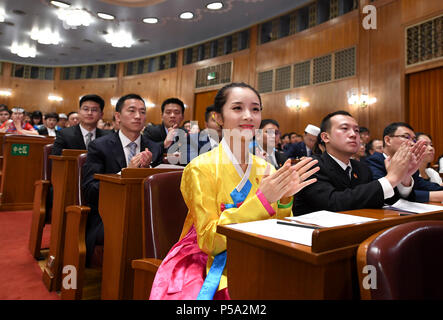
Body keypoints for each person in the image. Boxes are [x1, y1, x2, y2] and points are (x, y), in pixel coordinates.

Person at [149, 82, 319, 300]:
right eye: (238, 108)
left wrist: (285, 201)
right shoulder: (200, 168)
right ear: (218, 117)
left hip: (260, 252)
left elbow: (277, 229)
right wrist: (263, 201)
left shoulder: (266, 167)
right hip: (210, 260)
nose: (248, 116)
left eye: (255, 109)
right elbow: (210, 242)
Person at [82, 93, 162, 266]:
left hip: (146, 212)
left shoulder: (154, 147)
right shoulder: (100, 146)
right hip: (108, 215)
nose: (138, 116)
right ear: (118, 116)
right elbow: (90, 190)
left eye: (142, 112)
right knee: (131, 229)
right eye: (132, 111)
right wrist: (125, 174)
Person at [293, 111, 421, 215]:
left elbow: (385, 202)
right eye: (344, 129)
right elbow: (334, 204)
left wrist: (404, 178)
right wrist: (391, 178)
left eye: (357, 130)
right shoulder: (311, 166)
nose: (353, 135)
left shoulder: (362, 168)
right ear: (326, 137)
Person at [364, 122, 443, 203]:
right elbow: (386, 196)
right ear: (388, 140)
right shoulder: (373, 162)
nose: (412, 143)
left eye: (414, 139)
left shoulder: (408, 163)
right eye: (406, 137)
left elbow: (423, 185)